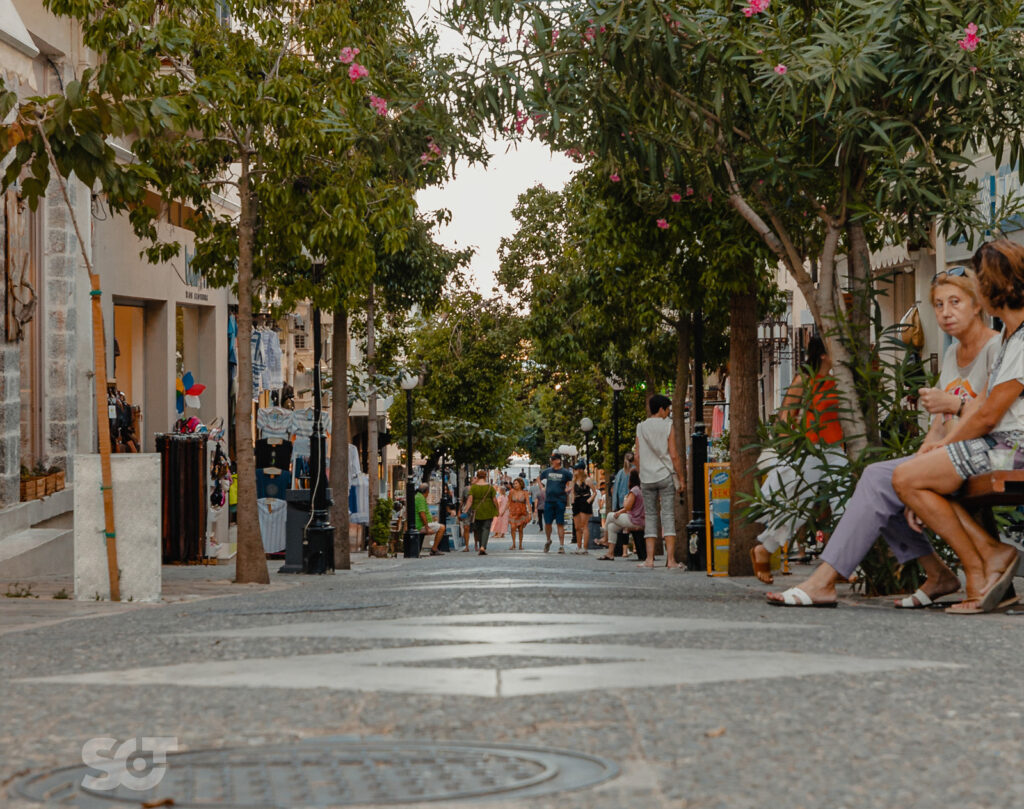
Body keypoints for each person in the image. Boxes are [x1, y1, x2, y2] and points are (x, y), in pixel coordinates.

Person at [767, 263, 1000, 607]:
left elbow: (990, 415)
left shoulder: (997, 349)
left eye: (956, 302)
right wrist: (924, 456)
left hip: (985, 453)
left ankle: (825, 580)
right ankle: (935, 574)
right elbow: (939, 422)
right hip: (950, 455)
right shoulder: (952, 353)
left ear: (977, 305)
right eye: (939, 305)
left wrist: (931, 453)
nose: (946, 313)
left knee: (881, 478)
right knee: (878, 478)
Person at [891, 240, 1024, 613]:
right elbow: (981, 402)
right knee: (913, 477)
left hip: (1013, 449)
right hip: (1003, 445)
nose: (975, 288)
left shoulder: (1021, 339)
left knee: (908, 478)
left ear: (992, 286)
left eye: (978, 280)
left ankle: (980, 568)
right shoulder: (1012, 335)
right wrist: (940, 448)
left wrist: (940, 449)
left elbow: (986, 415)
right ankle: (989, 555)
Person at [750, 335, 848, 583]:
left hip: (835, 448)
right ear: (824, 354)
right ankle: (764, 549)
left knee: (846, 502)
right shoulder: (805, 379)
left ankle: (845, 563)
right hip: (809, 448)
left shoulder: (839, 381)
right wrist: (791, 447)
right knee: (800, 508)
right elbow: (785, 417)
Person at [634, 394, 687, 568]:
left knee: (650, 516)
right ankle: (670, 560)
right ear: (662, 409)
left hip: (647, 478)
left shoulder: (640, 427)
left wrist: (642, 473)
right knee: (668, 516)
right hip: (665, 476)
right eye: (668, 409)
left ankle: (649, 560)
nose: (669, 412)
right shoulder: (668, 425)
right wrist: (680, 477)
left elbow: (637, 456)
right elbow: (673, 454)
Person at [597, 470, 644, 560]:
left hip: (634, 519)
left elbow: (627, 506)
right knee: (611, 526)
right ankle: (610, 553)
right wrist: (619, 512)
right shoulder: (639, 489)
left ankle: (605, 539)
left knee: (610, 515)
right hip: (638, 518)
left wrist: (625, 501)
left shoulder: (634, 490)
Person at [540, 452, 573, 553]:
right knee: (547, 523)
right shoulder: (547, 471)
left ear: (559, 460)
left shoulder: (565, 472)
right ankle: (548, 540)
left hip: (560, 500)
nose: (552, 461)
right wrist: (542, 488)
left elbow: (574, 480)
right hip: (549, 500)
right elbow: (539, 478)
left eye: (554, 459)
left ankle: (561, 546)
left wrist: (569, 489)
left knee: (560, 523)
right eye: (551, 460)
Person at [463, 469, 499, 555]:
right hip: (488, 510)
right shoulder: (490, 487)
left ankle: (480, 546)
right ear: (486, 477)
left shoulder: (474, 487)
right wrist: (497, 509)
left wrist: (465, 510)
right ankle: (483, 546)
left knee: (478, 529)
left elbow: (470, 500)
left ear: (477, 477)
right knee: (486, 528)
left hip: (476, 511)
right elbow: (495, 500)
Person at [571, 462, 597, 554]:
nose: (575, 471)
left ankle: (585, 548)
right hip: (576, 502)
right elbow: (572, 492)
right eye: (575, 469)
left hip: (585, 501)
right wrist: (573, 501)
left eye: (577, 469)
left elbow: (594, 492)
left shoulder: (587, 480)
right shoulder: (574, 480)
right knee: (577, 527)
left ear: (581, 470)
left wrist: (589, 500)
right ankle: (578, 547)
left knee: (584, 525)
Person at [414, 482, 446, 556]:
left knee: (438, 525)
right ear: (426, 491)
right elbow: (422, 514)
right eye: (428, 493)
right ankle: (434, 549)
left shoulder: (418, 496)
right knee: (442, 527)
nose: (428, 495)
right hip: (420, 525)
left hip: (421, 524)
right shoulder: (420, 498)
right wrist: (427, 527)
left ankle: (434, 549)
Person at [507, 478, 531, 550]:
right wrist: (502, 511)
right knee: (512, 528)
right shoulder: (511, 492)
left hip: (522, 512)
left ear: (520, 484)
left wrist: (530, 513)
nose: (515, 485)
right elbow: (508, 502)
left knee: (520, 529)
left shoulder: (525, 492)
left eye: (516, 483)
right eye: (514, 484)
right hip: (513, 512)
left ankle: (520, 544)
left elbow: (528, 503)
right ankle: (513, 544)